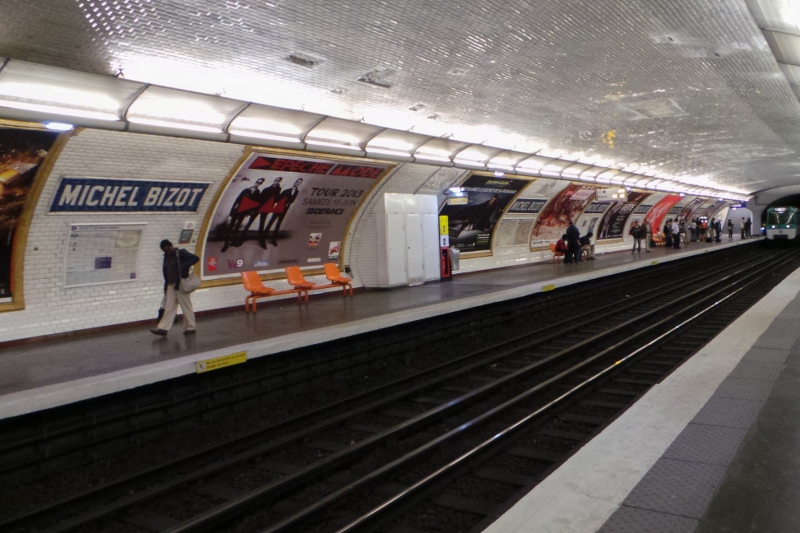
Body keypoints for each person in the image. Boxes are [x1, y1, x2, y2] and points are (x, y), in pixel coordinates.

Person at [151, 240, 199, 336]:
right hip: (170, 284)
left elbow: (195, 258)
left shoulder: (180, 253)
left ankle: (190, 327)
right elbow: (166, 272)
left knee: (186, 306)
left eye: (167, 248)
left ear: (171, 246)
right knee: (169, 307)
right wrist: (166, 288)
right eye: (164, 249)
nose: (166, 250)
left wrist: (184, 265)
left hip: (181, 283)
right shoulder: (166, 257)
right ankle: (163, 329)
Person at [220, 177, 264, 252]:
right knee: (231, 227)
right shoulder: (246, 190)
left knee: (237, 227)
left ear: (261, 184)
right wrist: (232, 211)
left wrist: (249, 212)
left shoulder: (258, 192)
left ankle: (233, 241)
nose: (258, 184)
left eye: (260, 183)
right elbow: (237, 200)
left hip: (244, 212)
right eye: (257, 182)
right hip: (237, 211)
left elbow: (254, 203)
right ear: (255, 182)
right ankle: (226, 244)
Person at [243, 177, 282, 248]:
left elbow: (276, 200)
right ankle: (242, 237)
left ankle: (261, 240)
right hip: (259, 207)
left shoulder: (278, 191)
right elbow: (259, 198)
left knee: (262, 224)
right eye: (276, 180)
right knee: (250, 221)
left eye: (278, 181)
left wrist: (278, 195)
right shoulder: (266, 189)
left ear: (279, 182)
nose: (276, 182)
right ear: (274, 180)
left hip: (266, 208)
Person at [262, 178, 303, 246]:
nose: (297, 183)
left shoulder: (297, 191)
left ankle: (273, 239)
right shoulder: (286, 190)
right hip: (279, 207)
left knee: (278, 224)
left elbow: (292, 200)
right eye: (297, 182)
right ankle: (263, 238)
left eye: (299, 183)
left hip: (285, 209)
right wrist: (285, 200)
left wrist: (288, 201)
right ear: (295, 182)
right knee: (271, 222)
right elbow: (278, 198)